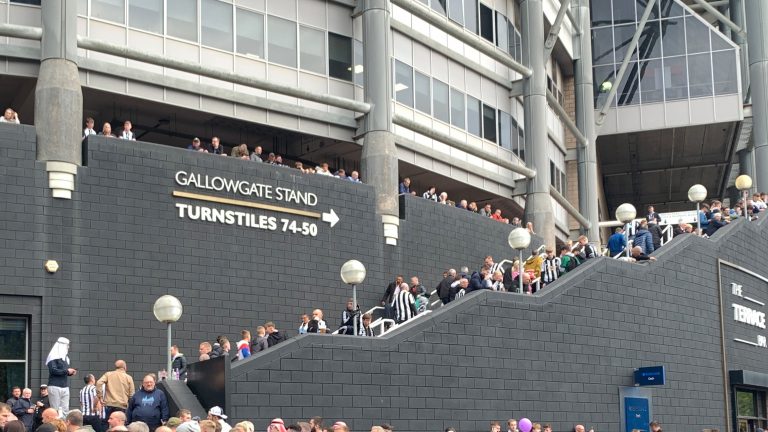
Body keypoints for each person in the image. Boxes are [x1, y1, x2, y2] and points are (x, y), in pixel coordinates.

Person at [46, 337, 75, 416]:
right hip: (55, 386)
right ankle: (55, 426)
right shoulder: (52, 357)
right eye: (67, 345)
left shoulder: (65, 358)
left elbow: (63, 371)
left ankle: (63, 427)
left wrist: (70, 373)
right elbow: (53, 370)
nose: (68, 347)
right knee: (55, 409)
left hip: (64, 386)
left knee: (65, 409)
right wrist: (67, 371)